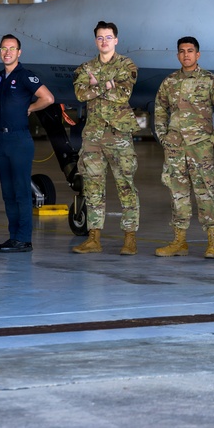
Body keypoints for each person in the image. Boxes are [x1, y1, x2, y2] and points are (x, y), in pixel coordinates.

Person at [153, 36, 214, 259]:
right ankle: (179, 241)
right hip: (175, 148)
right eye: (182, 51)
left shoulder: (210, 81)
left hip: (200, 148)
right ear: (177, 55)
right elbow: (159, 110)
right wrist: (163, 136)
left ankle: (213, 242)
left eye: (190, 51)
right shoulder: (169, 82)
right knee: (177, 194)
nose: (186, 55)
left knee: (205, 193)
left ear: (198, 55)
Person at [71, 21, 141, 255]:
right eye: (100, 38)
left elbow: (123, 94)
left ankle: (129, 238)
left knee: (125, 185)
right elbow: (80, 94)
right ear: (95, 41)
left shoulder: (126, 65)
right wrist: (108, 84)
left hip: (119, 133)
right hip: (93, 135)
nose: (104, 41)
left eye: (108, 37)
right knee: (92, 186)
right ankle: (94, 238)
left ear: (116, 40)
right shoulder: (85, 67)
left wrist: (96, 85)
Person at [0, 34, 55, 253]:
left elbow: (48, 98)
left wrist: (30, 108)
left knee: (20, 191)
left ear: (19, 52)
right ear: (0, 51)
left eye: (12, 48)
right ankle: (14, 237)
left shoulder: (26, 76)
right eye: (4, 48)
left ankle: (24, 239)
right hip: (3, 139)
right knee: (8, 192)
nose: (7, 52)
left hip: (19, 139)